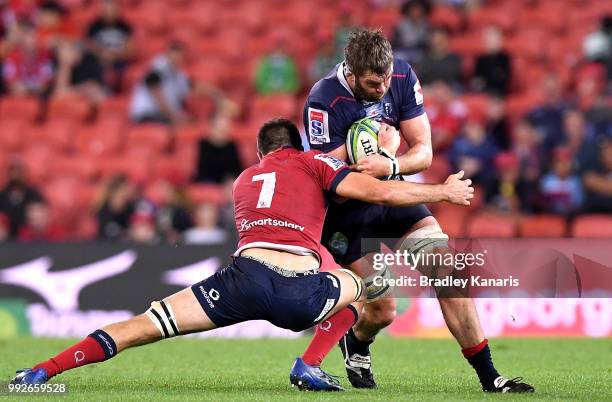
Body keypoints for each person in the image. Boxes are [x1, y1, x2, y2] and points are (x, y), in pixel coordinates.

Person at [11, 118, 474, 390]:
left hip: (239, 282)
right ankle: (309, 364)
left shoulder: (244, 179)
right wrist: (441, 191)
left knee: (142, 325)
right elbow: (376, 190)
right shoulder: (315, 163)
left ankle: (39, 372)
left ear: (259, 152)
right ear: (297, 145)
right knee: (371, 289)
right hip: (299, 293)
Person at [303, 28, 533, 393]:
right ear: (351, 72)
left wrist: (388, 164)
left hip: (394, 193)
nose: (382, 90)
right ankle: (358, 342)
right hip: (348, 215)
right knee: (383, 311)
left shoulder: (401, 75)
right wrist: (364, 161)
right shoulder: (323, 100)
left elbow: (424, 150)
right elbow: (327, 178)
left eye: (384, 82)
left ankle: (492, 379)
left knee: (449, 272)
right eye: (371, 84)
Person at [85, 0, 134, 93]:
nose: (109, 13)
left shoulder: (125, 27)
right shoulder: (94, 26)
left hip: (120, 60)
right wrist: (103, 54)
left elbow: (130, 49)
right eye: (106, 10)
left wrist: (115, 55)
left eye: (112, 10)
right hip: (99, 59)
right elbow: (89, 46)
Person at [0, 160, 44, 238]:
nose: (16, 176)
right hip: (6, 238)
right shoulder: (2, 196)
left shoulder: (33, 194)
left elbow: (40, 214)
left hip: (29, 236)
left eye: (19, 172)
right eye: (13, 172)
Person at [472, 26, 511, 96]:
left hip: (498, 92)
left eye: (494, 39)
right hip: (483, 91)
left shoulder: (505, 58)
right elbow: (476, 78)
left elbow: (504, 79)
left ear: (500, 41)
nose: (491, 42)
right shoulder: (480, 59)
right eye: (488, 40)